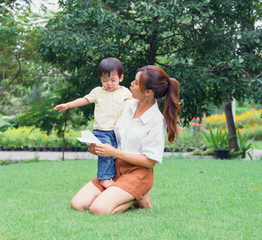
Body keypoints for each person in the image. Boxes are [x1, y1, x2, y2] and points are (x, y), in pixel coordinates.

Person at [70, 65, 181, 214]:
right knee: (77, 204)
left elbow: (150, 161)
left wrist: (113, 152)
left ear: (148, 92)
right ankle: (130, 195)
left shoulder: (156, 120)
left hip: (138, 174)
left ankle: (137, 195)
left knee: (98, 209)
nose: (131, 84)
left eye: (135, 83)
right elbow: (111, 135)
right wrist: (98, 148)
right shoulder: (127, 104)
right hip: (115, 169)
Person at [54, 57, 132, 188]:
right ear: (100, 79)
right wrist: (67, 105)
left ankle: (114, 177)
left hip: (118, 131)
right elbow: (84, 100)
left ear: (121, 78)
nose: (109, 84)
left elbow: (135, 105)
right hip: (101, 131)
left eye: (113, 80)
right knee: (105, 154)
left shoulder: (125, 92)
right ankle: (104, 178)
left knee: (116, 155)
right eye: (104, 80)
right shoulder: (98, 92)